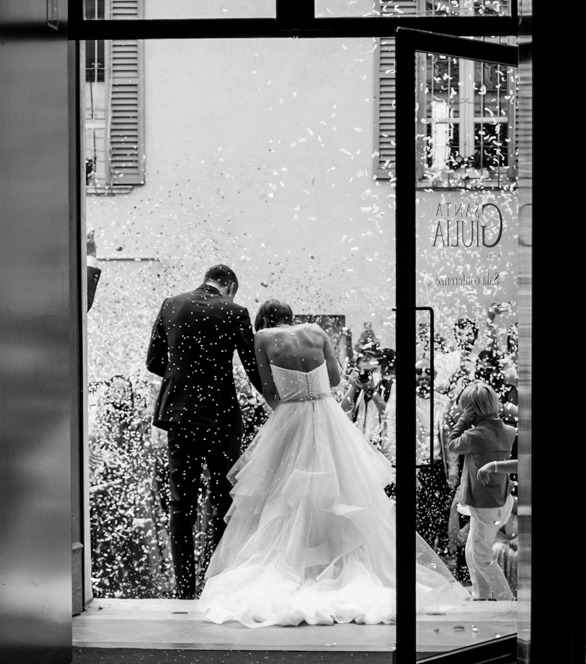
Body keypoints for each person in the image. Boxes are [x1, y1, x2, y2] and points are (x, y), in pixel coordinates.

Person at [199, 299, 473, 626]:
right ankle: (340, 561)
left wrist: (285, 421)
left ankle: (300, 562)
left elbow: (269, 390)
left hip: (291, 414)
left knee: (286, 497)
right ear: (290, 317)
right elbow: (332, 378)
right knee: (343, 492)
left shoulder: (263, 338)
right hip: (327, 415)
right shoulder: (316, 331)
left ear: (265, 321)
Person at [146, 263, 264, 599]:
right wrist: (280, 400)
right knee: (222, 498)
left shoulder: (171, 304)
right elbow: (252, 367)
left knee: (181, 502)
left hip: (179, 416)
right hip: (220, 418)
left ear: (206, 281)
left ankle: (184, 589)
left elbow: (153, 361)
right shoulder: (234, 311)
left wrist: (183, 378)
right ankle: (216, 584)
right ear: (231, 288)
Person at [446, 380, 517, 601]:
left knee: (483, 557)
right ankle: (481, 595)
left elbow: (451, 444)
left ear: (471, 410)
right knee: (472, 549)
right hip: (501, 501)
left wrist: (463, 420)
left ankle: (506, 599)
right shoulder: (508, 431)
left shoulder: (474, 436)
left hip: (485, 506)